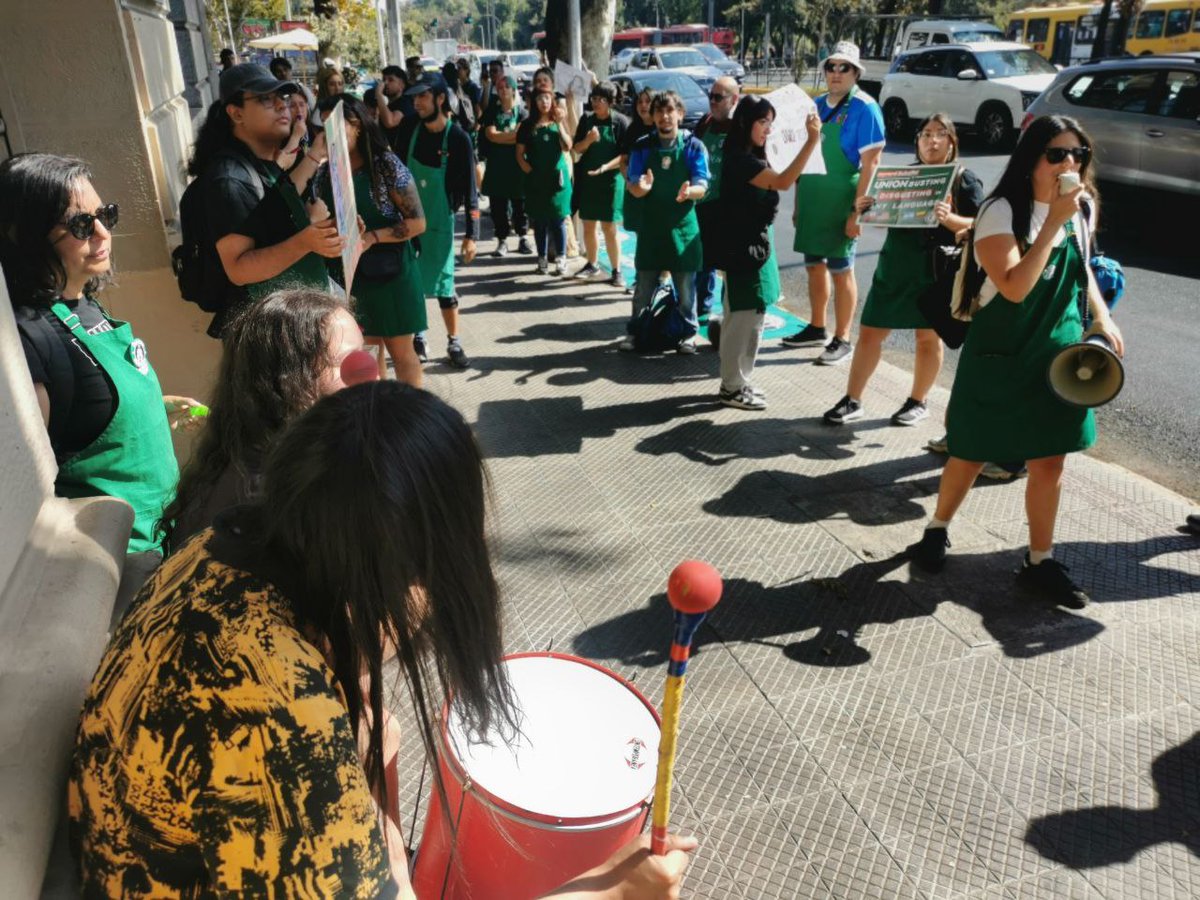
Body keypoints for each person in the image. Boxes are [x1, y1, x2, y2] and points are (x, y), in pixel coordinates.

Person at [70, 380, 698, 897]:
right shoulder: (279, 718)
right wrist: (611, 892)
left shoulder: (214, 548)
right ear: (407, 575)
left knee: (383, 735)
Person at [907, 115, 1125, 609]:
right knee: (972, 449)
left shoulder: (1081, 208)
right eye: (1056, 154)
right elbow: (1013, 285)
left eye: (1078, 155)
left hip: (1058, 352)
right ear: (1030, 159)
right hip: (1001, 350)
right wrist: (1052, 221)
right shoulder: (999, 211)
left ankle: (1039, 559)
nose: (1069, 163)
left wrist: (1102, 316)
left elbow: (1083, 268)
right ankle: (937, 529)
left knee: (1050, 459)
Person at [1, 153, 200, 555]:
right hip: (116, 569)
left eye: (104, 215)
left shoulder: (83, 301)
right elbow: (25, 487)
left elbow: (85, 413)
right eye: (79, 224)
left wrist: (147, 409)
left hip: (164, 539)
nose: (102, 233)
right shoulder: (28, 338)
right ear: (25, 236)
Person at [161, 289, 362, 549]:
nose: (370, 371)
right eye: (345, 360)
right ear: (289, 380)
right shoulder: (271, 492)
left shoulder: (299, 454)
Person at [823, 114, 985, 426]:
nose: (932, 141)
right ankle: (852, 399)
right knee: (870, 331)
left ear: (952, 142)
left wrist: (950, 219)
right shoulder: (900, 177)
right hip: (894, 266)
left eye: (941, 134)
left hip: (935, 270)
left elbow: (982, 224)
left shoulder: (964, 180)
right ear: (917, 142)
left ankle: (918, 400)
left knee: (927, 337)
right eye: (926, 134)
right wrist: (866, 210)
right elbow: (886, 218)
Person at [193, 64, 341, 335]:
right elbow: (239, 269)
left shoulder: (259, 163)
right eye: (264, 99)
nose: (282, 106)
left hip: (297, 323)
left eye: (282, 97)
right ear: (236, 113)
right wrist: (307, 241)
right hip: (271, 336)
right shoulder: (230, 180)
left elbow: (273, 206)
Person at [782, 41, 885, 366]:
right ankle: (816, 327)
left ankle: (842, 338)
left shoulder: (866, 108)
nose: (837, 73)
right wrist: (798, 203)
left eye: (845, 68)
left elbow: (871, 163)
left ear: (856, 73)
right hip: (813, 199)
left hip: (843, 201)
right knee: (814, 266)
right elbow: (803, 158)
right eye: (832, 66)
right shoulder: (813, 106)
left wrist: (858, 213)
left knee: (842, 271)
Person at [715, 98, 821, 410]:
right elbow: (784, 181)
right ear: (746, 123)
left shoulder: (751, 155)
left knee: (755, 316)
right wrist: (812, 141)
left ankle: (740, 382)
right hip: (741, 248)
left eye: (770, 123)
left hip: (755, 246)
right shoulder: (740, 160)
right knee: (741, 318)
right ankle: (731, 386)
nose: (768, 129)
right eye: (763, 122)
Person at [315, 96, 427, 387]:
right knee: (364, 354)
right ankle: (377, 415)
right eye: (324, 125)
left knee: (402, 354)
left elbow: (418, 223)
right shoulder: (322, 172)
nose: (330, 134)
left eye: (336, 125)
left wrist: (373, 237)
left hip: (392, 274)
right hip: (349, 276)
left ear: (358, 125)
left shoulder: (386, 166)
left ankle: (413, 418)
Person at [394, 74, 479, 369]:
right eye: (414, 97)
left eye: (423, 97)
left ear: (440, 99)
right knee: (412, 283)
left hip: (441, 224)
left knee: (445, 286)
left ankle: (453, 341)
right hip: (409, 220)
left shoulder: (458, 138)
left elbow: (470, 190)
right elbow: (396, 173)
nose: (416, 103)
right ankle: (419, 336)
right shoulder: (408, 129)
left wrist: (472, 234)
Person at [621, 90, 709, 355]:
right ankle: (635, 333)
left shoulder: (694, 146)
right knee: (644, 285)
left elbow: (702, 184)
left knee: (685, 286)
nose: (664, 117)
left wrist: (688, 192)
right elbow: (633, 185)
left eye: (669, 111)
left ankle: (688, 334)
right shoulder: (642, 145)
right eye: (659, 112)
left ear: (680, 114)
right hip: (651, 228)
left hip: (683, 228)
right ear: (653, 116)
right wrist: (641, 187)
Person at [573, 81, 629, 288]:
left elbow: (625, 155)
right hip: (589, 180)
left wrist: (606, 167)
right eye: (594, 98)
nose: (596, 103)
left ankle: (617, 271)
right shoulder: (586, 120)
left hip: (612, 181)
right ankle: (592, 263)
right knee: (588, 225)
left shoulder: (621, 122)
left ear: (611, 102)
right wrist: (588, 140)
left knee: (609, 228)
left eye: (601, 99)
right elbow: (577, 149)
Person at [693, 76, 739, 319]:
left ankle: (728, 311)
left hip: (729, 207)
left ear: (734, 100)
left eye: (718, 97)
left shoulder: (741, 128)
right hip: (702, 203)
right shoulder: (705, 123)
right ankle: (702, 306)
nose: (712, 101)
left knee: (728, 263)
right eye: (711, 96)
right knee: (704, 258)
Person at [517, 87, 574, 276]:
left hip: (557, 181)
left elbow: (567, 146)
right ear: (534, 102)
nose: (545, 102)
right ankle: (541, 258)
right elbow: (519, 155)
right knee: (539, 221)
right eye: (541, 98)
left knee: (558, 219)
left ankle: (561, 258)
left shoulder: (557, 122)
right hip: (536, 181)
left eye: (548, 98)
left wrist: (560, 125)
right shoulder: (527, 126)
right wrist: (530, 173)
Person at [480, 74, 532, 256]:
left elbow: (521, 137)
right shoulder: (492, 112)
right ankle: (502, 241)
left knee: (520, 204)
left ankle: (523, 238)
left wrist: (500, 137)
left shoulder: (523, 113)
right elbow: (490, 135)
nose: (502, 91)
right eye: (499, 88)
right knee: (498, 205)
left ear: (513, 90)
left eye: (506, 88)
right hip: (497, 167)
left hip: (518, 166)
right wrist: (510, 137)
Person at [619, 85, 657, 245]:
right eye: (640, 102)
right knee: (641, 235)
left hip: (658, 190)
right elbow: (623, 160)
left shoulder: (662, 128)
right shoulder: (632, 129)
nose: (643, 105)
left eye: (648, 101)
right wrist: (630, 180)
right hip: (637, 189)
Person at [375, 64, 414, 149]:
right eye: (384, 79)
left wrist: (379, 94)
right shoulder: (388, 105)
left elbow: (390, 122)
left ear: (402, 85)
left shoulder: (405, 102)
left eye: (391, 80)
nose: (385, 83)